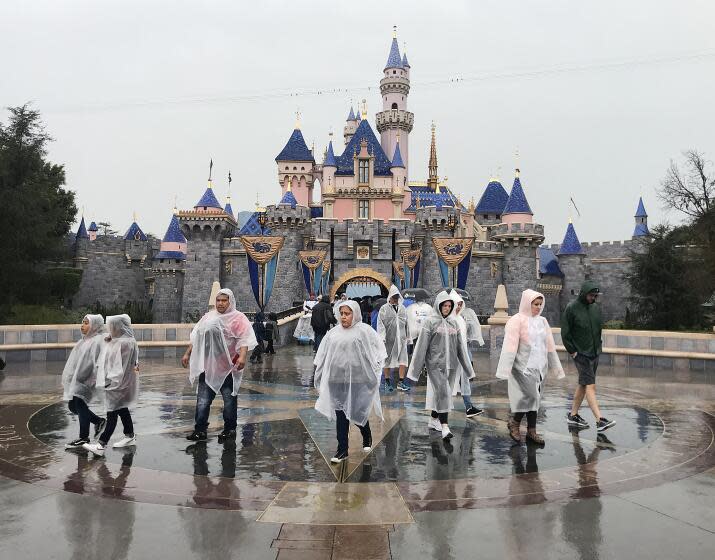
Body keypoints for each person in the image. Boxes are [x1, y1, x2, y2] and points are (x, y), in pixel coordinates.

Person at [314, 299, 387, 463]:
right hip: (337, 379)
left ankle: (366, 434)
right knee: (341, 414)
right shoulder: (333, 333)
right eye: (341, 314)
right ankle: (342, 450)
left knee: (356, 410)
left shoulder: (364, 331)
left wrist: (375, 371)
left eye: (347, 314)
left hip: (358, 379)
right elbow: (323, 355)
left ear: (355, 314)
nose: (343, 317)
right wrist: (320, 374)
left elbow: (377, 352)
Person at [182, 288, 258, 442]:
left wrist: (242, 356)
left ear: (230, 301)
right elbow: (197, 335)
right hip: (209, 366)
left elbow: (244, 338)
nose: (221, 303)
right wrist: (187, 353)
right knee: (203, 400)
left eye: (224, 300)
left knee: (229, 400)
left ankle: (229, 429)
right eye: (218, 300)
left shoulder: (238, 318)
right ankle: (200, 430)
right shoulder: (208, 317)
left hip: (228, 367)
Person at [496, 289, 564, 444]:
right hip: (522, 367)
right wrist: (505, 369)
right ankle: (515, 422)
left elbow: (550, 345)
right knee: (532, 396)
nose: (538, 307)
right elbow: (510, 345)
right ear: (528, 303)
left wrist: (555, 367)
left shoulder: (543, 321)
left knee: (536, 399)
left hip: (539, 367)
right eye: (535, 304)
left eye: (540, 304)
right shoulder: (517, 320)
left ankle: (531, 431)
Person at [407, 291, 474, 440]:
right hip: (435, 364)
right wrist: (414, 371)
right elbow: (422, 347)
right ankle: (445, 426)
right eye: (445, 305)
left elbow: (460, 348)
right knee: (443, 391)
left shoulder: (454, 323)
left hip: (451, 365)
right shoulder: (430, 322)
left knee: (443, 393)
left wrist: (468, 370)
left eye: (449, 306)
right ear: (439, 305)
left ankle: (433, 419)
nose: (447, 308)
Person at [562, 280, 615, 432]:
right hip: (581, 354)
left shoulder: (595, 308)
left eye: (595, 295)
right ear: (584, 294)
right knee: (590, 385)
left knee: (584, 384)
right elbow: (565, 333)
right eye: (591, 295)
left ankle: (573, 416)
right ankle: (600, 420)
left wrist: (598, 346)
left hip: (594, 352)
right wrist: (573, 351)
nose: (594, 298)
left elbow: (598, 328)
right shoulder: (571, 308)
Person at [83, 315, 139, 456]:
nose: (110, 329)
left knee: (112, 413)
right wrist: (111, 339)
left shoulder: (123, 344)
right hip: (124, 383)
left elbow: (116, 366)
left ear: (119, 327)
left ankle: (101, 445)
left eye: (112, 327)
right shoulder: (129, 341)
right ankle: (130, 435)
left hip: (117, 384)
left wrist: (107, 382)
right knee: (122, 409)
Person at [62, 314, 107, 449]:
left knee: (80, 405)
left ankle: (84, 437)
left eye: (86, 323)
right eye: (82, 322)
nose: (82, 325)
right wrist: (70, 376)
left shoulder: (97, 341)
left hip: (86, 379)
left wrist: (80, 377)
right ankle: (98, 421)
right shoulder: (84, 340)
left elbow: (90, 363)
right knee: (73, 406)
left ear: (95, 326)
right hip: (78, 378)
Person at [451, 292, 485, 418]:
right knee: (448, 382)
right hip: (450, 357)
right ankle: (438, 413)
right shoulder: (448, 320)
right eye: (456, 304)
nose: (459, 307)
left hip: (462, 355)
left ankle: (469, 406)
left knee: (465, 380)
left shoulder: (460, 319)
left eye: (460, 304)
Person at [377, 285, 410, 392]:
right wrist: (382, 337)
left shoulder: (403, 309)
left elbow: (407, 323)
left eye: (397, 297)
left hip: (401, 338)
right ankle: (387, 381)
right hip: (388, 339)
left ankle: (401, 382)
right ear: (390, 297)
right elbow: (380, 323)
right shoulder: (384, 309)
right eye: (394, 297)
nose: (395, 299)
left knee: (403, 360)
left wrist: (408, 336)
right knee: (387, 359)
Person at [406, 292, 432, 358]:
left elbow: (406, 318)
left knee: (415, 345)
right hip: (424, 330)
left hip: (413, 330)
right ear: (424, 299)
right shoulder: (429, 307)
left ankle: (414, 358)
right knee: (423, 347)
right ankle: (422, 362)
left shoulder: (410, 307)